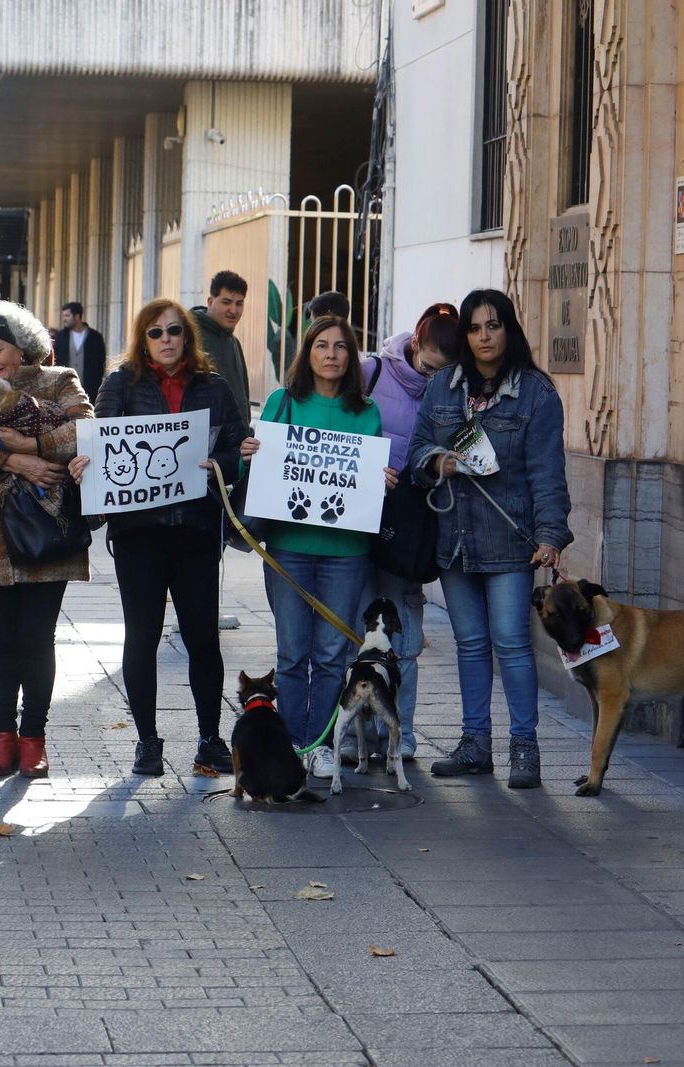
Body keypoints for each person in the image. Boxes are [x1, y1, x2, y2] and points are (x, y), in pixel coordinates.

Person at [409, 289, 571, 789]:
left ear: (509, 330)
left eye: (493, 325)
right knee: (471, 645)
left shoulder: (536, 394)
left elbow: (547, 473)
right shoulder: (442, 387)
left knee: (512, 645)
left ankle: (525, 749)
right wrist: (441, 461)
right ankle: (475, 744)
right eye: (475, 328)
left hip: (509, 542)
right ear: (465, 335)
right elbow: (417, 450)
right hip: (455, 539)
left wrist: (551, 536)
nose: (484, 336)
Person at [81, 299, 248, 777]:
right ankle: (147, 742)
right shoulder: (121, 383)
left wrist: (225, 463)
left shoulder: (212, 386)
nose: (167, 339)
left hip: (196, 529)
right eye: (156, 333)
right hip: (139, 534)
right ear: (143, 338)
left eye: (175, 330)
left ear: (188, 336)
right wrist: (85, 465)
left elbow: (238, 444)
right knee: (142, 637)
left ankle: (210, 740)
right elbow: (100, 441)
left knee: (203, 639)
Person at [239, 315, 391, 780]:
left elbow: (362, 480)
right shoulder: (282, 403)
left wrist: (380, 480)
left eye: (341, 346)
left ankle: (321, 745)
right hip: (288, 547)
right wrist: (249, 455)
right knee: (292, 653)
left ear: (352, 357)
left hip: (345, 552)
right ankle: (292, 743)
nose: (331, 354)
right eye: (321, 345)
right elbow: (259, 475)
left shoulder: (366, 411)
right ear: (307, 353)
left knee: (330, 655)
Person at [0, 300, 92, 778]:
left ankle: (34, 739)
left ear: (22, 346)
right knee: (0, 639)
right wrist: (12, 463)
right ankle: (1, 739)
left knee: (38, 638)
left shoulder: (59, 381)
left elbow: (88, 430)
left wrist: (33, 446)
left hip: (49, 528)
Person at [339, 302, 463, 764]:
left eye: (443, 371)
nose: (433, 378)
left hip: (408, 523)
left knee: (403, 634)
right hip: (356, 515)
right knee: (355, 629)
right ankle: (354, 733)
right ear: (414, 345)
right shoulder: (371, 372)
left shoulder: (453, 389)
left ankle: (401, 732)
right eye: (429, 366)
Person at [190, 270, 252, 417]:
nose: (233, 310)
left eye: (239, 303)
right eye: (226, 302)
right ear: (210, 302)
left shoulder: (234, 342)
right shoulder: (190, 337)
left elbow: (243, 395)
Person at [53, 301, 106, 400]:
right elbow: (56, 361)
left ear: (77, 316)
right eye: (64, 316)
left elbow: (101, 363)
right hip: (66, 389)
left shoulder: (96, 337)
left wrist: (97, 383)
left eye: (67, 316)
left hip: (90, 390)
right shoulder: (61, 337)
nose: (64, 319)